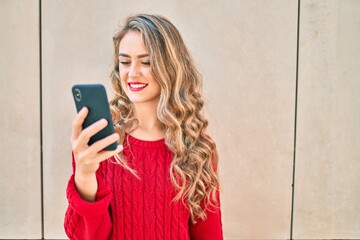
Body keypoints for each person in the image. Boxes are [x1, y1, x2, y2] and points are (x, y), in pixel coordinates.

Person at [64, 14, 223, 240]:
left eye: (146, 62)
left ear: (170, 67)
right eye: (125, 61)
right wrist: (84, 175)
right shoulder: (99, 142)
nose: (133, 72)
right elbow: (85, 236)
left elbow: (209, 233)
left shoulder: (197, 147)